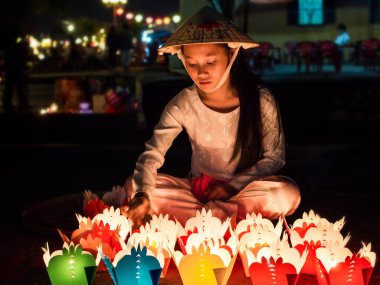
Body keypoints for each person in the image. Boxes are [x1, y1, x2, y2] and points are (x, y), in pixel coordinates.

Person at [123, 6, 301, 228]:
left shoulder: (260, 99)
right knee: (135, 185)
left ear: (230, 55)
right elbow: (153, 152)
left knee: (287, 193)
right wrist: (142, 195)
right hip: (197, 192)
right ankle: (221, 219)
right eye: (192, 63)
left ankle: (209, 217)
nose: (201, 72)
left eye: (210, 62)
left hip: (243, 192)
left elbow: (275, 157)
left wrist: (232, 186)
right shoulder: (183, 103)